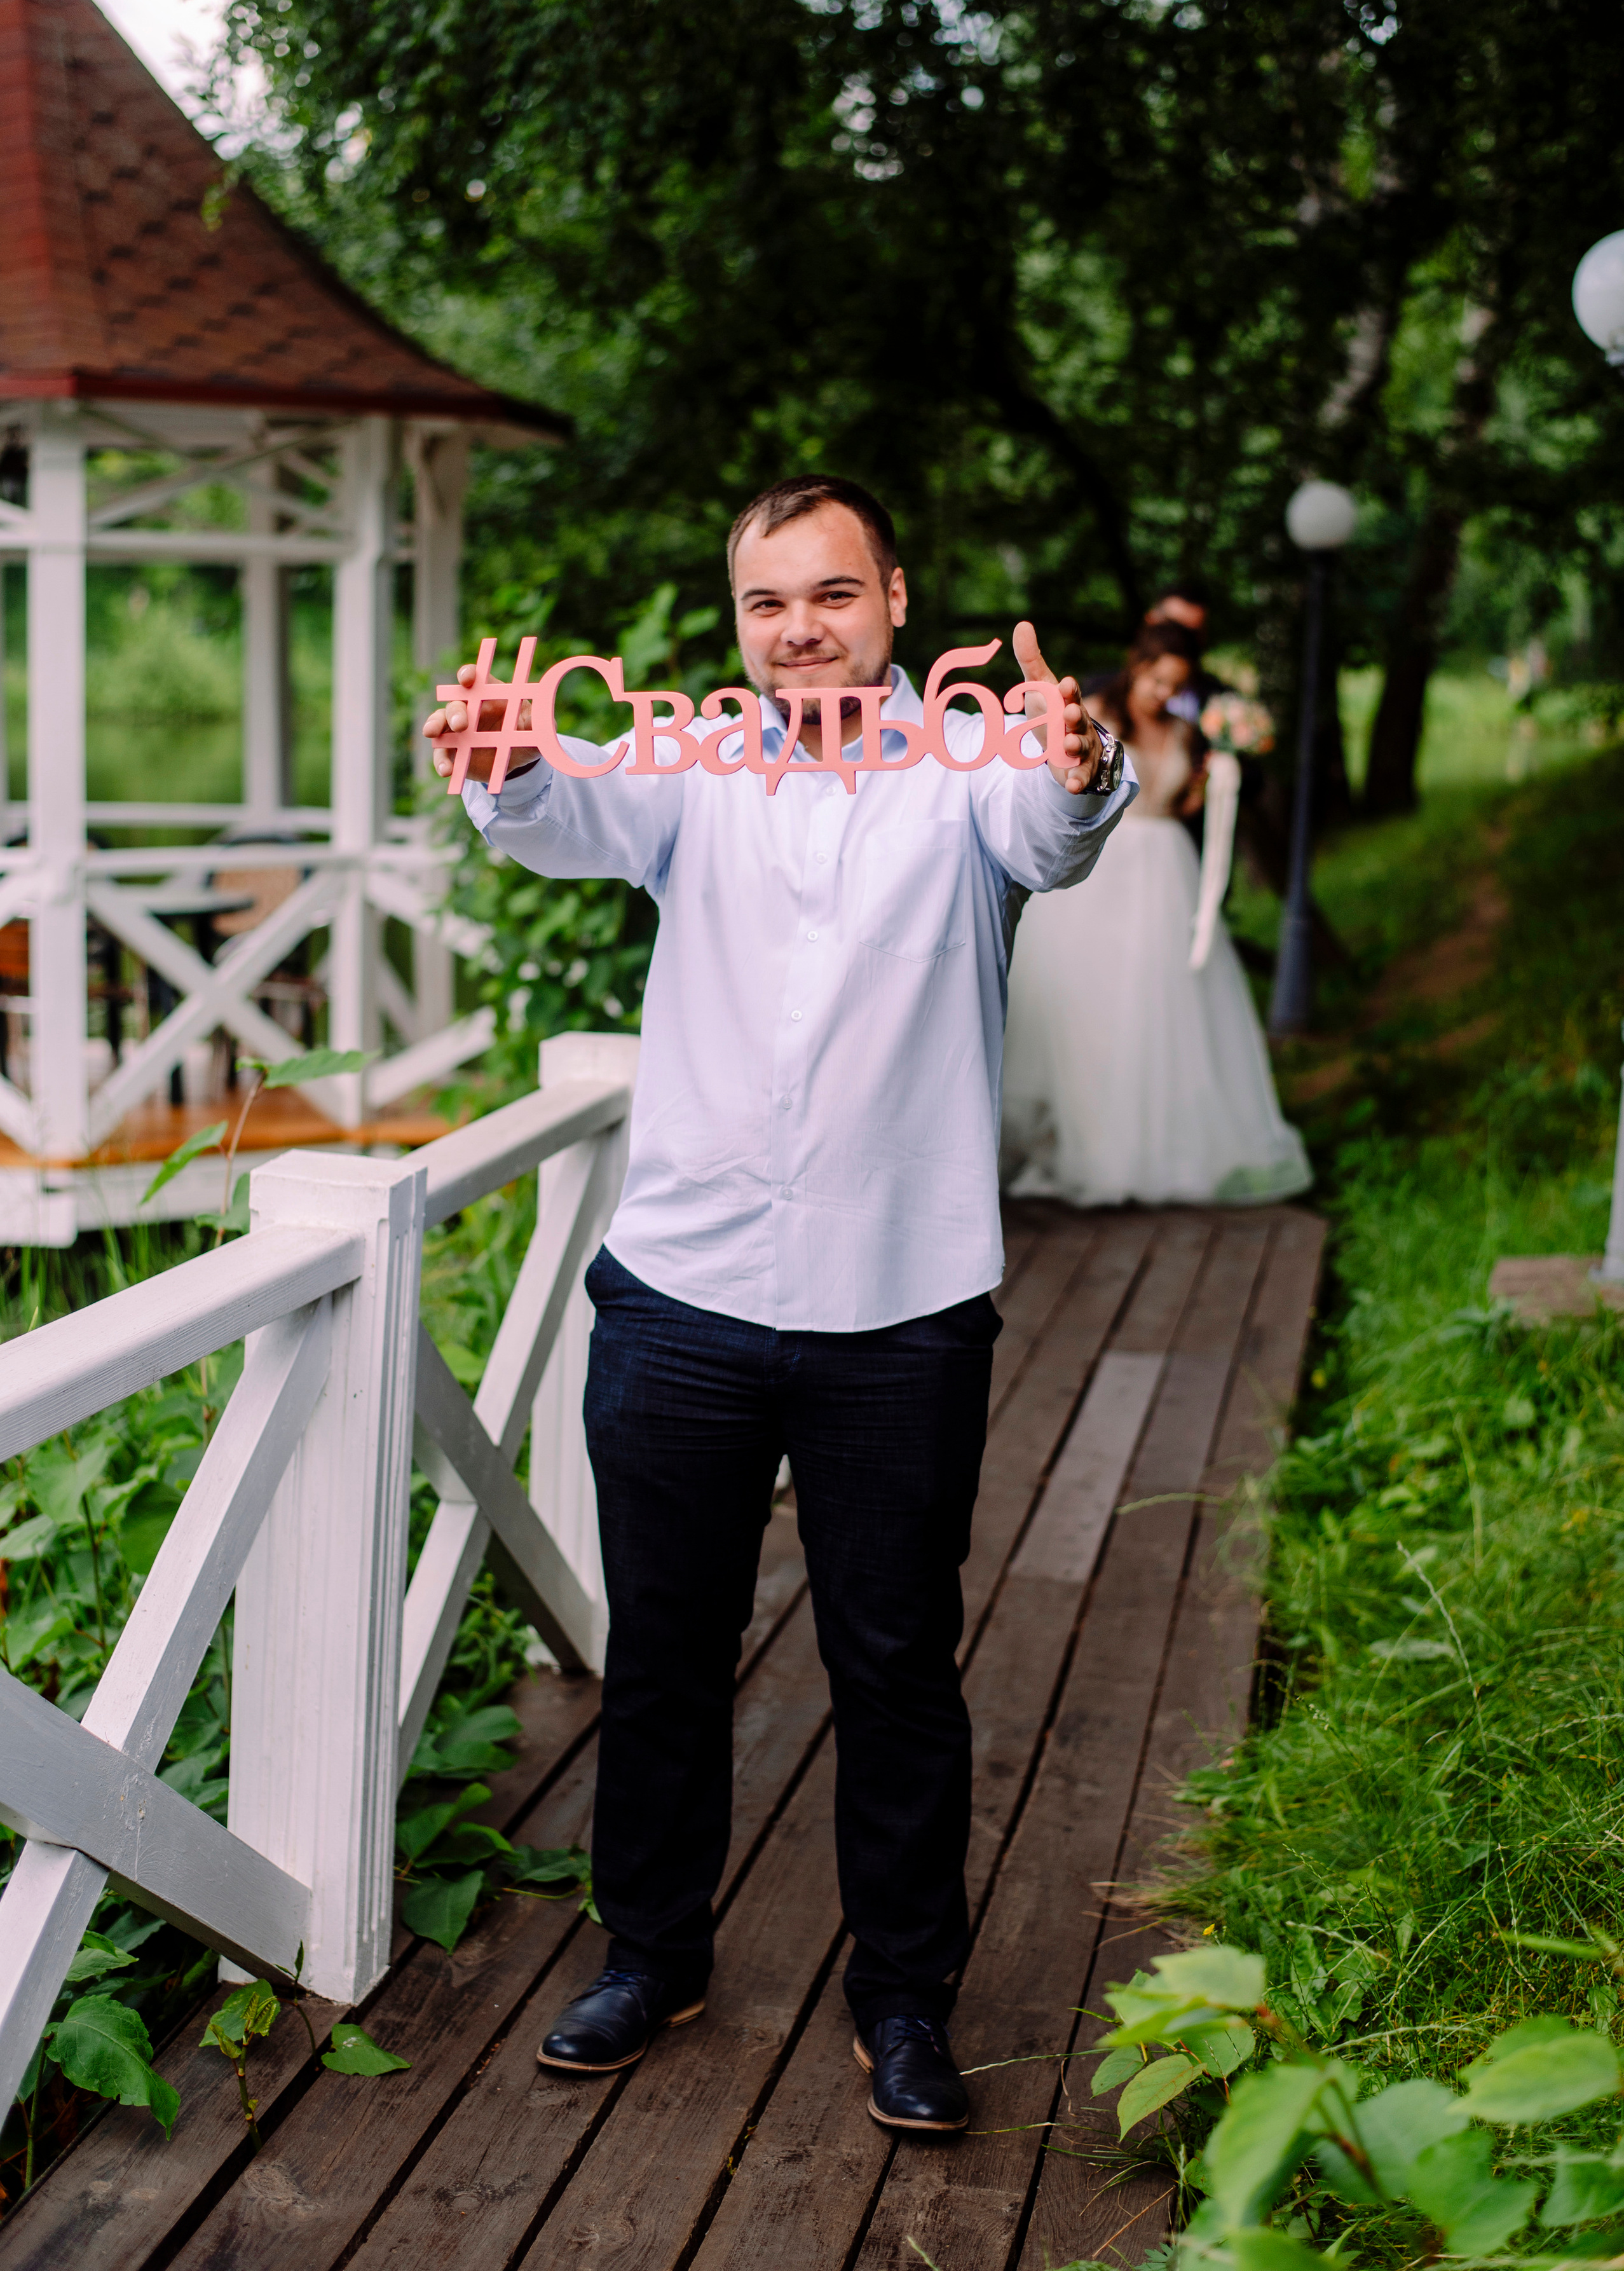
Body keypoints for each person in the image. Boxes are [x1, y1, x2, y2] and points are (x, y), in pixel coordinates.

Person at [423, 476, 1135, 2136]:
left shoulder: (975, 768)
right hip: (681, 1293)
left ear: (895, 600)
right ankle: (652, 1954)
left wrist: (1079, 765)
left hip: (901, 1302)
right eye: (766, 603)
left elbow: (1055, 829)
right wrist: (502, 760)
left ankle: (904, 1997)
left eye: (830, 594)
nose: (798, 629)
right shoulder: (685, 766)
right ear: (736, 621)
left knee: (894, 1665)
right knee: (664, 1653)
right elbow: (556, 806)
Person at [1002, 619, 1311, 1208]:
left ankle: (1155, 1146)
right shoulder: (1093, 713)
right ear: (1136, 665)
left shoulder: (1185, 732)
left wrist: (1215, 780)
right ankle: (1085, 1142)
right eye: (1156, 678)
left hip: (1166, 874)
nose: (1163, 692)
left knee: (1159, 1003)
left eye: (1176, 684)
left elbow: (1179, 803)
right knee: (1091, 1009)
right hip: (1102, 872)